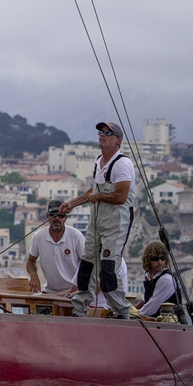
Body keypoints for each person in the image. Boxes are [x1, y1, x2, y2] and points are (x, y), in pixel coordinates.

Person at [60, 122, 139, 319]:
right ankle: (79, 309)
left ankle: (121, 311)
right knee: (87, 265)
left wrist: (100, 197)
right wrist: (72, 203)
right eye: (100, 132)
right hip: (97, 220)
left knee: (108, 269)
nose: (102, 135)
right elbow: (93, 191)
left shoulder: (122, 163)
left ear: (118, 140)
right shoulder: (99, 162)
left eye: (107, 133)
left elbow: (121, 196)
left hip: (116, 222)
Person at [25, 199, 82, 295]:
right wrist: (33, 275)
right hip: (49, 291)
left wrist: (76, 286)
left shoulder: (76, 236)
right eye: (53, 215)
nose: (57, 218)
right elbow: (30, 261)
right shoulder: (38, 236)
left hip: (72, 292)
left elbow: (87, 263)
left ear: (66, 218)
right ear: (48, 216)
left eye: (61, 215)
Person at [138, 240, 181, 320]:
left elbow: (151, 308)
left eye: (163, 258)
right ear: (148, 260)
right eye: (155, 259)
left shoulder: (166, 280)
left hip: (167, 324)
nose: (160, 262)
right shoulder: (148, 275)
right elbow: (147, 300)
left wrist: (132, 316)